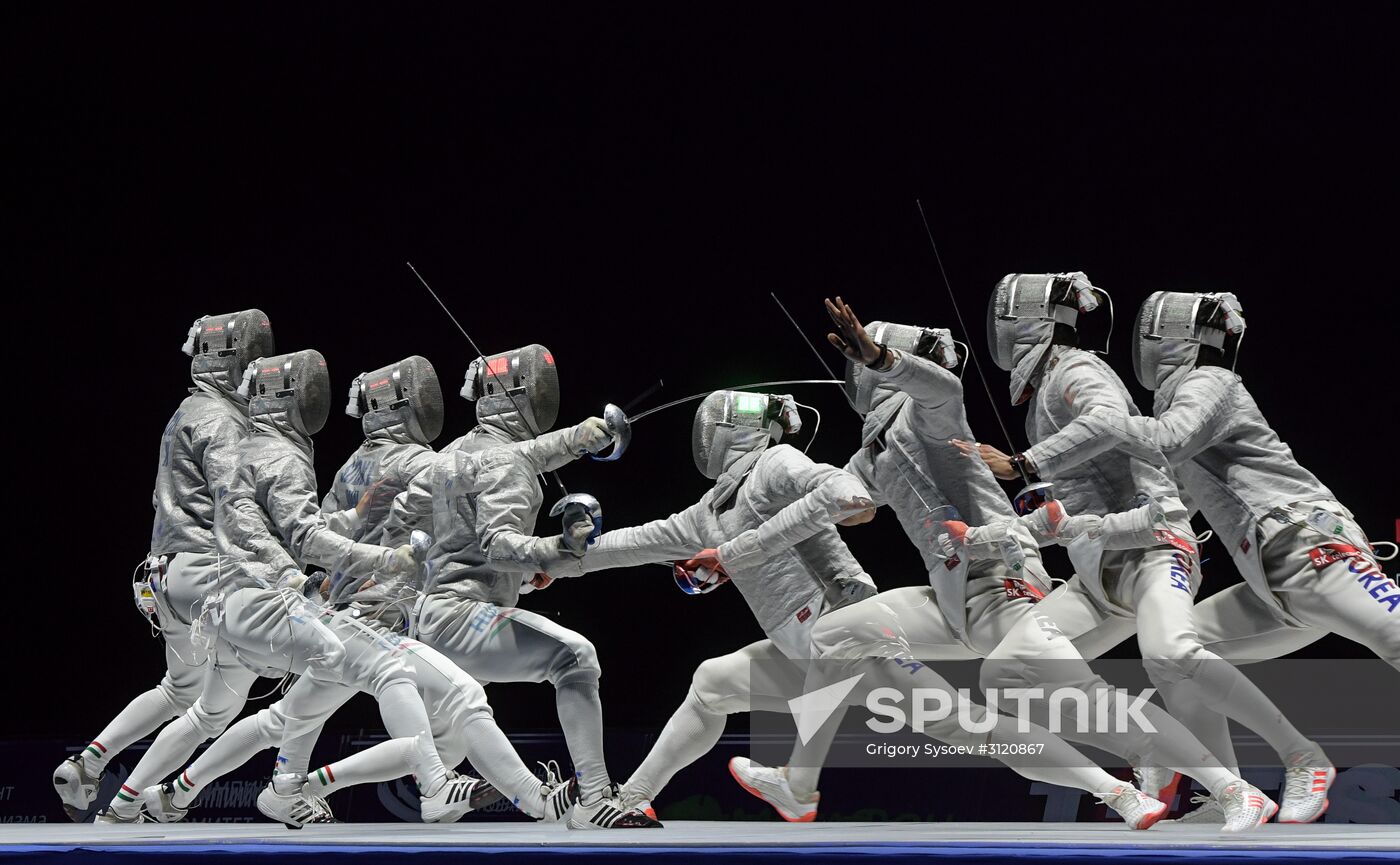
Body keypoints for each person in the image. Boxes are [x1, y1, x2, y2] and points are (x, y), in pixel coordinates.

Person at [749, 299, 1276, 832]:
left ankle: (1232, 788)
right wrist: (740, 543)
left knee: (1080, 698)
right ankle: (798, 785)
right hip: (952, 599)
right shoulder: (872, 454)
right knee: (837, 634)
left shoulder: (928, 417)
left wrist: (885, 359)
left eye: (863, 362)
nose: (855, 372)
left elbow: (943, 388)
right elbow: (837, 503)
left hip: (1006, 584)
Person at [549, 389, 1177, 830]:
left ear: (729, 429)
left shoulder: (777, 461)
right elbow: (632, 544)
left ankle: (1116, 792)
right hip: (807, 653)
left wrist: (841, 497)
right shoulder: (709, 511)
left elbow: (836, 488)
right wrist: (558, 556)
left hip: (854, 637)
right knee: (711, 683)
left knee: (964, 723)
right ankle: (635, 800)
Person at [971, 289, 1396, 823]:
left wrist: (1033, 459)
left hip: (1311, 546)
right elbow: (1176, 496)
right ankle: (1226, 793)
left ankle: (1302, 757)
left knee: (1394, 637)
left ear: (1168, 336)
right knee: (1178, 663)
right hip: (1267, 580)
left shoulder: (1209, 383)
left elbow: (1159, 440)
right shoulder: (1181, 407)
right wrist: (1062, 525)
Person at [94, 349, 425, 823]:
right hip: (249, 593)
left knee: (220, 711)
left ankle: (144, 798)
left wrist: (347, 531)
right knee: (333, 662)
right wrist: (316, 579)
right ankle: (286, 789)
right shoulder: (274, 452)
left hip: (219, 592)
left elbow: (288, 528)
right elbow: (290, 538)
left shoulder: (243, 442)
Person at [411, 344, 660, 829]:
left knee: (441, 743)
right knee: (574, 656)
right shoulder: (509, 466)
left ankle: (303, 785)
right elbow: (499, 544)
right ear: (526, 397)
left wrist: (525, 576)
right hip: (463, 618)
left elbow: (457, 546)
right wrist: (557, 546)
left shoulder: (453, 454)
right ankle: (593, 798)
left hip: (428, 619)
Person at [53, 311, 273, 820]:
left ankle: (91, 764)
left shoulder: (184, 412)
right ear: (238, 361)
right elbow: (233, 502)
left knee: (180, 689)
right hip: (209, 575)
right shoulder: (224, 421)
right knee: (224, 705)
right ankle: (136, 801)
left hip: (160, 574)